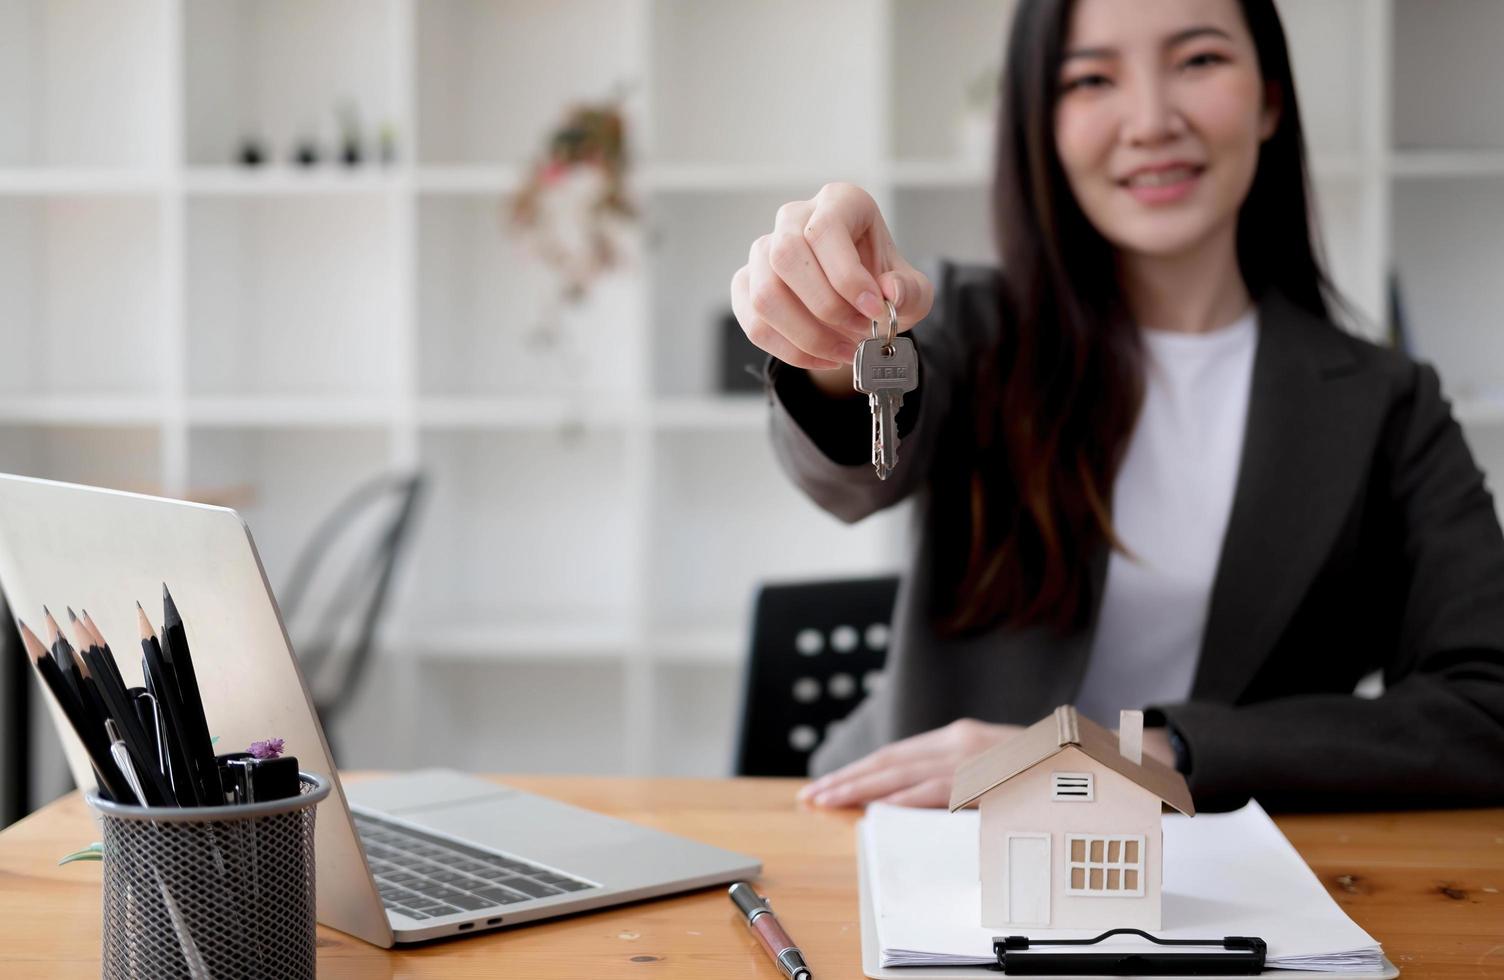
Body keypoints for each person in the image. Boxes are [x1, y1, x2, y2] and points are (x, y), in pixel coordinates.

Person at [729, 0, 1504, 813]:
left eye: (1199, 60)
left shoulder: (1387, 404)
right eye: (1093, 78)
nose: (1150, 120)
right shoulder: (970, 325)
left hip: (1223, 880)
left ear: (1270, 98)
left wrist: (1148, 755)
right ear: (1043, 122)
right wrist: (835, 332)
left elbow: (1488, 706)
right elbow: (855, 469)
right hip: (923, 840)